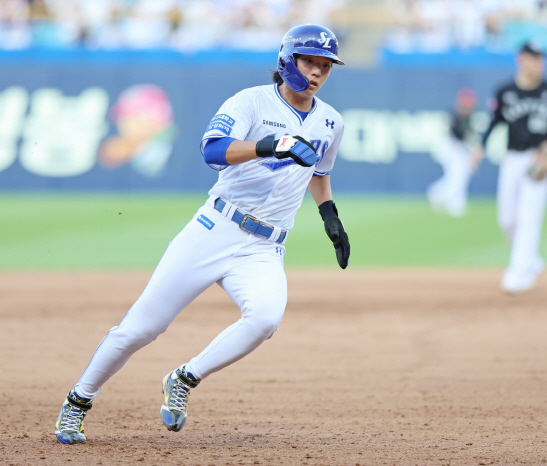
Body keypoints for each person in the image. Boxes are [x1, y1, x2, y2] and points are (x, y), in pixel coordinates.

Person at [54, 24, 351, 445]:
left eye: (325, 65)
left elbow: (319, 172)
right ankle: (78, 401)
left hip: (265, 247)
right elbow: (212, 149)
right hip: (216, 228)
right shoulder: (250, 101)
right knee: (141, 327)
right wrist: (270, 145)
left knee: (265, 318)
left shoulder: (330, 121)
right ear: (287, 59)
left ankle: (184, 377)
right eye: (310, 61)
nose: (318, 72)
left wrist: (329, 216)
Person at [478, 42, 547, 293]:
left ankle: (519, 273)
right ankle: (531, 261)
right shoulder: (505, 91)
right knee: (507, 219)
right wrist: (479, 147)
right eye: (535, 58)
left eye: (542, 59)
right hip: (512, 158)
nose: (540, 63)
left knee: (529, 216)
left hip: (539, 159)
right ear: (521, 60)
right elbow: (493, 121)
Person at [427, 88, 482, 217]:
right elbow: (454, 133)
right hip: (450, 147)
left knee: (461, 174)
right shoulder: (454, 115)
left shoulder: (469, 116)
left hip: (459, 148)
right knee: (456, 175)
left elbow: (469, 135)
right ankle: (448, 200)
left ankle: (445, 197)